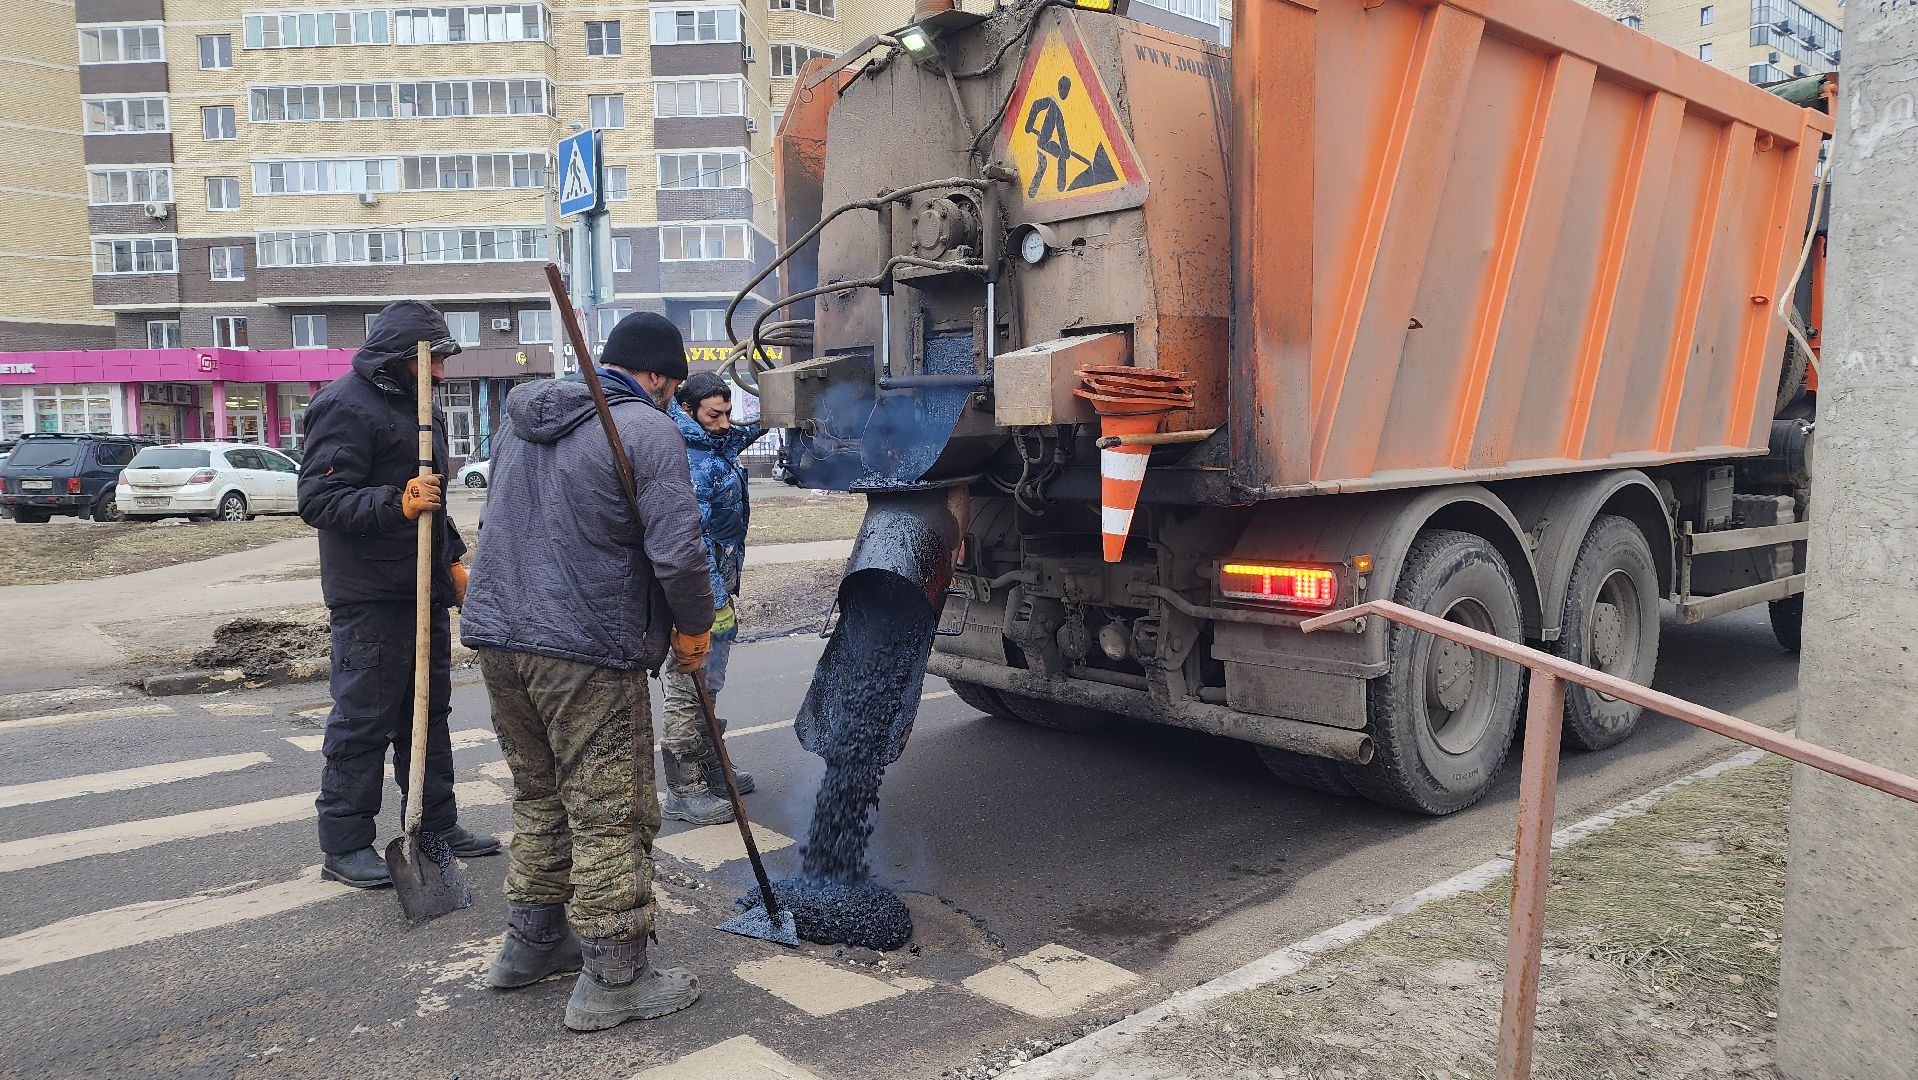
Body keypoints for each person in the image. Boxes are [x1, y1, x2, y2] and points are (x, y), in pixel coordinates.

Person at [459, 312, 716, 1032]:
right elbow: (678, 552)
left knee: (541, 795)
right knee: (612, 808)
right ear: (661, 377)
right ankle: (615, 978)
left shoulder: (518, 422)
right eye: (672, 383)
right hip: (585, 646)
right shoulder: (644, 430)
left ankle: (533, 943)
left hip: (501, 636)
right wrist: (693, 628)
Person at [297, 299, 501, 889]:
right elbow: (318, 500)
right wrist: (395, 502)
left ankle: (436, 825)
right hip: (370, 595)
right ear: (403, 357)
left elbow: (432, 500)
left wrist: (452, 564)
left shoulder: (422, 410)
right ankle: (345, 843)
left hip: (421, 590)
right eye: (433, 361)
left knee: (428, 714)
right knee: (365, 718)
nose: (442, 373)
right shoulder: (343, 405)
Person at [659, 371, 766, 825]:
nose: (724, 423)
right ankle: (684, 788)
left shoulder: (711, 441)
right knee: (688, 685)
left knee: (711, 682)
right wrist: (710, 605)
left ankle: (711, 765)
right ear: (687, 410)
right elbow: (690, 540)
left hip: (717, 587)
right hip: (698, 592)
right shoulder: (686, 458)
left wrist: (778, 411)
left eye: (727, 413)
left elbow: (736, 436)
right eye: (714, 415)